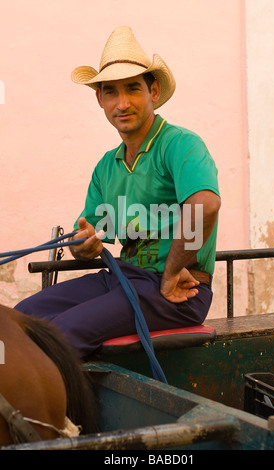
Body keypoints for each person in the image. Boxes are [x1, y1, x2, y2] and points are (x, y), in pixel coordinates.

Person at [16, 26, 221, 359]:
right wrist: (83, 246)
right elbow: (86, 240)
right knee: (19, 319)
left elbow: (205, 207)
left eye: (133, 89)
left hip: (179, 291)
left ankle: (61, 412)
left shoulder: (180, 144)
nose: (122, 103)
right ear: (100, 99)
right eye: (111, 91)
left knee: (61, 335)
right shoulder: (105, 167)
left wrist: (170, 274)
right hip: (121, 278)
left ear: (153, 92)